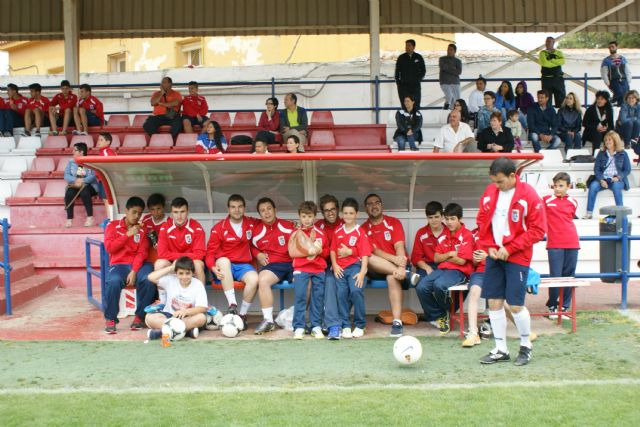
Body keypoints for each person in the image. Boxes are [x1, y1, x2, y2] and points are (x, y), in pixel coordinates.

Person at [476, 157, 547, 366]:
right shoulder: (490, 192)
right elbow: (482, 221)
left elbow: (538, 230)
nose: (496, 186)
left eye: (499, 182)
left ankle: (526, 346)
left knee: (515, 304)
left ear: (512, 176)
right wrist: (488, 246)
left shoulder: (530, 196)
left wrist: (510, 248)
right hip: (494, 255)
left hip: (517, 256)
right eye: (494, 181)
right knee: (494, 302)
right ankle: (500, 349)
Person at [362, 194, 418, 337]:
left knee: (392, 277)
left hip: (396, 266)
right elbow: (373, 250)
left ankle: (397, 322)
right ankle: (407, 275)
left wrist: (399, 266)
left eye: (377, 202)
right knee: (369, 257)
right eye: (369, 204)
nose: (374, 206)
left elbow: (399, 246)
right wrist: (398, 266)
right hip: (377, 267)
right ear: (365, 208)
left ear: (382, 205)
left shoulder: (393, 222)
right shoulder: (363, 228)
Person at [415, 203, 473, 334]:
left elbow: (461, 260)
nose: (449, 222)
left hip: (459, 271)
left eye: (453, 219)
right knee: (421, 286)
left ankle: (446, 314)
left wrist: (445, 257)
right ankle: (441, 315)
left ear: (460, 219)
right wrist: (450, 254)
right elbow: (436, 258)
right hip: (443, 269)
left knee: (439, 285)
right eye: (447, 219)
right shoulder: (445, 235)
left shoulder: (466, 235)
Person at [102, 196, 155, 334]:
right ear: (126, 211)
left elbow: (142, 252)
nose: (136, 216)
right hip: (119, 264)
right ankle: (111, 318)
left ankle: (139, 317)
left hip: (140, 265)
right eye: (134, 212)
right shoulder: (113, 226)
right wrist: (127, 234)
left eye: (139, 213)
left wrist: (134, 270)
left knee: (149, 280)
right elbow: (110, 248)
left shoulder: (142, 230)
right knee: (113, 281)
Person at [205, 194, 258, 326]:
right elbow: (210, 253)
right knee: (223, 261)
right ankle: (232, 305)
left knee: (254, 279)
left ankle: (242, 315)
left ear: (244, 208)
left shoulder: (251, 223)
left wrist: (291, 224)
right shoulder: (219, 228)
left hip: (244, 266)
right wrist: (212, 267)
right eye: (233, 207)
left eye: (240, 206)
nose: (237, 210)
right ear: (228, 209)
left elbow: (269, 222)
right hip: (224, 267)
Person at [251, 198, 295, 335]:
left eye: (269, 208)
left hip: (294, 262)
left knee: (306, 281)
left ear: (275, 210)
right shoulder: (256, 231)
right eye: (263, 210)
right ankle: (268, 321)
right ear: (259, 214)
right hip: (274, 265)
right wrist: (257, 254)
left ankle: (293, 315)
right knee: (262, 280)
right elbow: (250, 246)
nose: (267, 213)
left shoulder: (288, 226)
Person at [331, 198, 371, 339]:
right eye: (345, 213)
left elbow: (365, 254)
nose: (348, 216)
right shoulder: (338, 231)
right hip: (341, 268)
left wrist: (362, 272)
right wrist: (335, 265)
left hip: (355, 267)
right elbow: (332, 251)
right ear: (342, 214)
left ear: (356, 214)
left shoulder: (360, 232)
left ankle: (360, 324)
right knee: (341, 294)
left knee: (355, 291)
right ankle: (345, 325)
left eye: (351, 213)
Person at [543, 172, 580, 319]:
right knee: (555, 277)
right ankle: (552, 307)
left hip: (572, 242)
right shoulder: (545, 200)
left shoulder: (573, 202)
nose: (557, 189)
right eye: (555, 185)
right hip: (555, 244)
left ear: (568, 186)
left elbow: (569, 219)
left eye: (561, 186)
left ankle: (564, 307)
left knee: (569, 277)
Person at [291, 201, 328, 339]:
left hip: (318, 269)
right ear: (299, 216)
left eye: (309, 216)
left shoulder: (321, 233)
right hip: (300, 268)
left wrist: (319, 251)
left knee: (317, 298)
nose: (306, 219)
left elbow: (327, 251)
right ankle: (299, 327)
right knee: (300, 297)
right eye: (304, 216)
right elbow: (292, 252)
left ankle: (316, 326)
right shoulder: (295, 233)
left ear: (314, 217)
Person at [145, 256, 208, 340]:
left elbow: (202, 308)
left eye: (187, 273)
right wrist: (171, 268)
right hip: (169, 316)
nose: (184, 277)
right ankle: (185, 332)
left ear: (193, 273)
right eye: (181, 273)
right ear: (176, 273)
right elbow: (151, 277)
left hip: (186, 316)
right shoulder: (171, 280)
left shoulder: (198, 284)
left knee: (201, 318)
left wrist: (186, 311)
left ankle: (163, 332)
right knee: (149, 318)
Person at [155, 197, 207, 285]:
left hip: (191, 262)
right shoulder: (165, 227)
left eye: (182, 212)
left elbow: (200, 254)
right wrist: (177, 260)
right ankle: (163, 297)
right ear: (171, 213)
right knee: (159, 264)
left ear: (187, 212)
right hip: (172, 262)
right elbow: (161, 253)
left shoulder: (196, 227)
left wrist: (179, 259)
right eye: (176, 212)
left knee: (198, 264)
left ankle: (201, 297)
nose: (179, 216)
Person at [315, 194, 344, 339]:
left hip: (345, 264)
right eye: (326, 210)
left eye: (333, 209)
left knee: (343, 282)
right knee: (329, 281)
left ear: (338, 209)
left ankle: (337, 322)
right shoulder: (317, 226)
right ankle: (332, 324)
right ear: (322, 212)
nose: (330, 212)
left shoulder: (346, 224)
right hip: (323, 265)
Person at [584, 131, 631, 219]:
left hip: (617, 180)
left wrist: (619, 177)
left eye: (610, 140)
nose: (607, 142)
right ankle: (589, 213)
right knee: (593, 186)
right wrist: (601, 180)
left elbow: (627, 170)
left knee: (616, 187)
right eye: (606, 140)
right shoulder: (601, 153)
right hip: (603, 179)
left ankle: (621, 214)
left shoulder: (623, 153)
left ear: (615, 141)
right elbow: (596, 169)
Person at [461, 228, 488, 347]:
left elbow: (507, 257)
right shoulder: (473, 234)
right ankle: (473, 333)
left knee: (501, 301)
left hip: (498, 271)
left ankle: (524, 331)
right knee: (474, 291)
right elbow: (472, 261)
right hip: (480, 272)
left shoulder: (502, 231)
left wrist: (488, 257)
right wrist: (475, 260)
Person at [64, 142, 98, 228]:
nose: (73, 152)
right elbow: (66, 175)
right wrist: (76, 180)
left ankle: (90, 218)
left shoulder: (90, 162)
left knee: (84, 191)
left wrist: (83, 180)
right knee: (69, 193)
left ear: (81, 152)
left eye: (75, 150)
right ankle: (69, 219)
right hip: (75, 184)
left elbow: (93, 176)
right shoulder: (71, 162)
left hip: (89, 185)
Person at [411, 201, 445, 279]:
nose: (433, 220)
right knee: (422, 285)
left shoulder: (449, 232)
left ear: (442, 216)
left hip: (445, 266)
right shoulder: (421, 233)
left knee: (440, 284)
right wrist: (427, 268)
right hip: (426, 266)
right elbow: (416, 257)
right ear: (427, 217)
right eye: (430, 217)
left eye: (436, 217)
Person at [395, 39, 426, 108]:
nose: (407, 47)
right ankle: (406, 118)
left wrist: (419, 79)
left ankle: (416, 118)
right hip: (404, 86)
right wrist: (398, 83)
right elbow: (397, 72)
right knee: (405, 105)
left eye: (409, 45)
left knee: (416, 105)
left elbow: (423, 70)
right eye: (406, 46)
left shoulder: (418, 57)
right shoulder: (401, 58)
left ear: (414, 47)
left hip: (415, 86)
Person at [601, 41, 632, 107]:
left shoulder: (623, 59)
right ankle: (613, 101)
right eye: (610, 47)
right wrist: (607, 83)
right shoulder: (606, 60)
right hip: (614, 80)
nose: (611, 49)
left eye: (613, 47)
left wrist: (628, 81)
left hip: (624, 80)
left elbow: (628, 71)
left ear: (616, 47)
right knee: (620, 92)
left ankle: (617, 103)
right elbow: (604, 73)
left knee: (626, 95)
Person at [582, 90, 614, 155]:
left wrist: (606, 129)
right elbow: (584, 123)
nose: (599, 101)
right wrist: (596, 127)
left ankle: (610, 154)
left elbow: (611, 125)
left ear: (606, 101)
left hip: (603, 132)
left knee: (611, 135)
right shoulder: (591, 109)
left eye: (602, 99)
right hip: (591, 132)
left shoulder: (609, 110)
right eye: (598, 99)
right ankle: (595, 155)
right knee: (597, 134)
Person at [539, 36, 566, 108]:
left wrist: (551, 60)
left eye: (549, 41)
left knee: (561, 100)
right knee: (546, 100)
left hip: (558, 79)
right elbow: (545, 63)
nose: (547, 43)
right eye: (546, 42)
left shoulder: (559, 52)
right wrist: (556, 63)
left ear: (553, 43)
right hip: (546, 79)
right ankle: (548, 117)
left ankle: (560, 117)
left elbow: (562, 61)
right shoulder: (542, 53)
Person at [142, 193, 167, 267]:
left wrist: (159, 240)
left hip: (162, 253)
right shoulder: (146, 219)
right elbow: (142, 236)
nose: (156, 212)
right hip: (147, 251)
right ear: (149, 209)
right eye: (152, 209)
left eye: (158, 208)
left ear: (163, 207)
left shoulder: (169, 221)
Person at [95, 132, 116, 219]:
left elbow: (110, 166)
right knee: (106, 200)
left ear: (108, 142)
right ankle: (110, 219)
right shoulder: (105, 152)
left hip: (106, 180)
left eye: (101, 140)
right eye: (98, 140)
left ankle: (111, 220)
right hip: (103, 180)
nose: (98, 142)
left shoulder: (106, 152)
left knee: (108, 200)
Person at [438, 44, 462, 110]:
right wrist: (453, 68)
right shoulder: (442, 59)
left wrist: (448, 67)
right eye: (448, 49)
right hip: (445, 81)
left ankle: (454, 113)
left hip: (455, 82)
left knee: (456, 100)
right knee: (449, 96)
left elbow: (459, 72)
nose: (449, 51)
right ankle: (445, 110)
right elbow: (443, 67)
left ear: (455, 51)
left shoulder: (458, 61)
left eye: (451, 50)